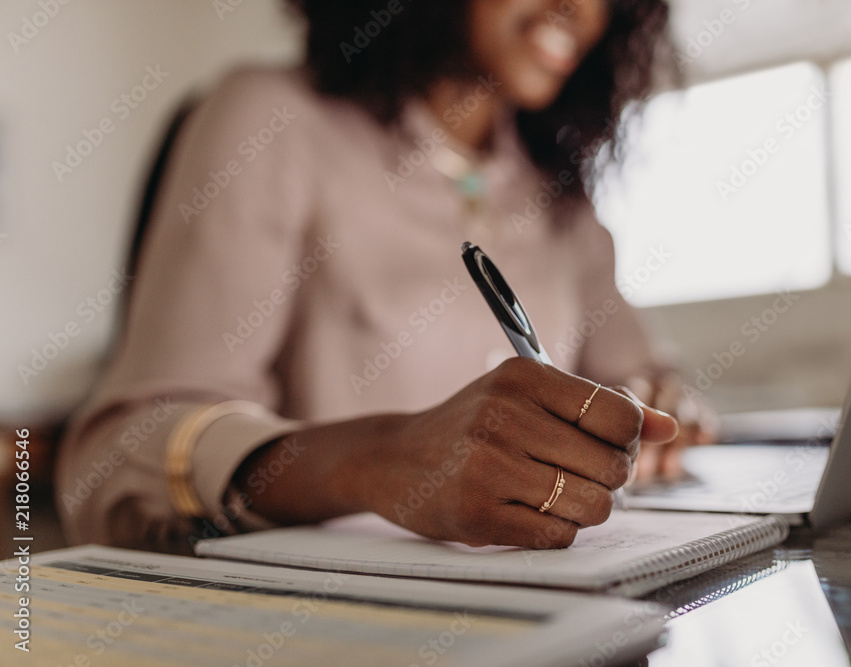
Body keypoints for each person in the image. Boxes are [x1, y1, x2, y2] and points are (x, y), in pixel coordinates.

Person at [56, 0, 712, 554]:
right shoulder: (271, 120)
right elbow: (114, 459)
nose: (580, 7)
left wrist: (658, 407)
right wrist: (371, 460)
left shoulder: (561, 196)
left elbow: (646, 377)